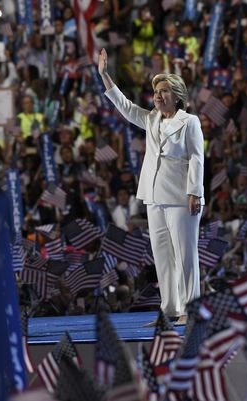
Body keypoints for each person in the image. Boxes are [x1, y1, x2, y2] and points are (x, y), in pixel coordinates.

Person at [98, 48, 204, 326]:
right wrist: (105, 75)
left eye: (164, 91)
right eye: (156, 91)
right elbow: (125, 106)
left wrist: (196, 192)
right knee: (163, 256)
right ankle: (170, 309)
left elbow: (196, 157)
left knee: (185, 256)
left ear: (177, 96)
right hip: (153, 196)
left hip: (182, 196)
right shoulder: (152, 119)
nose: (158, 95)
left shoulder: (189, 121)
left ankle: (190, 311)